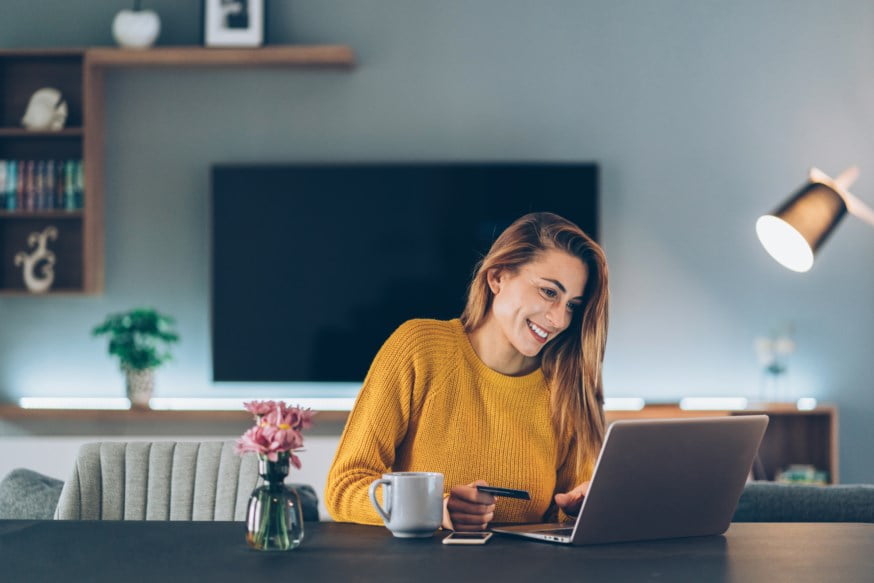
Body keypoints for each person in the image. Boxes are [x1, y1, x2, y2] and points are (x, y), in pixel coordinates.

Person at [325, 211, 609, 531]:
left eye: (572, 304)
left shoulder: (567, 385)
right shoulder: (420, 349)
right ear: (497, 277)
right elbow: (344, 488)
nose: (559, 319)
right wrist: (435, 509)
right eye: (549, 292)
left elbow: (563, 518)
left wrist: (577, 510)